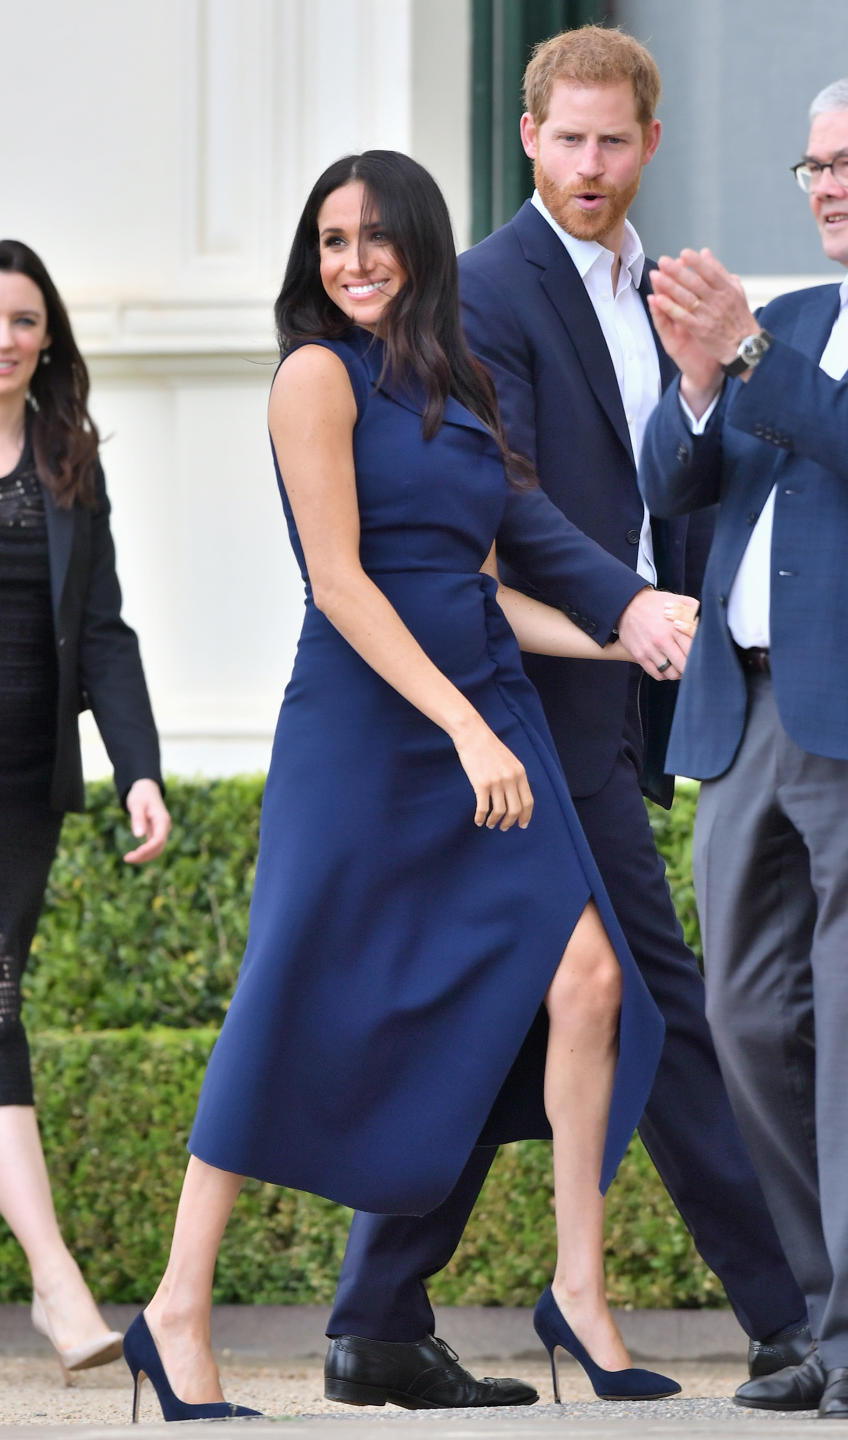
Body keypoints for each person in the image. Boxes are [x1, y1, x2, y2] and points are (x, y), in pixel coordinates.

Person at [120, 149, 685, 1424]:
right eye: (332, 239)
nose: (354, 261)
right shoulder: (312, 375)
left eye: (376, 237)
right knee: (284, 1000)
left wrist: (631, 631)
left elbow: (472, 586)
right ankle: (175, 1309)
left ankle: (580, 1292)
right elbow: (345, 584)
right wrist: (466, 733)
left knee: (593, 981)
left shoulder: (455, 382)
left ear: (422, 247)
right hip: (369, 730)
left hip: (478, 705)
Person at [324, 24, 810, 1411]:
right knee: (665, 997)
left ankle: (373, 1316)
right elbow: (508, 497)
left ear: (652, 145)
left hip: (615, 701)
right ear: (529, 136)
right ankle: (798, 1313)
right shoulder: (485, 288)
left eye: (616, 142)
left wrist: (718, 401)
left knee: (513, 1013)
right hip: (522, 696)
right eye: (568, 139)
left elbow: (680, 479)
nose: (592, 166)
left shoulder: (658, 287)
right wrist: (627, 607)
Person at [0, 240, 171, 1386]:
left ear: (46, 336)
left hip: (20, 792)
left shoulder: (69, 459)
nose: (2, 338)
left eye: (22, 320)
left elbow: (103, 630)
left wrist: (137, 767)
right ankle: (59, 1290)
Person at [640, 76, 848, 1423]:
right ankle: (824, 1318)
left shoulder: (792, 346)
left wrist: (758, 367)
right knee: (746, 1016)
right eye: (815, 165)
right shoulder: (800, 322)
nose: (828, 184)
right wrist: (702, 386)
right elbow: (680, 489)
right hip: (746, 709)